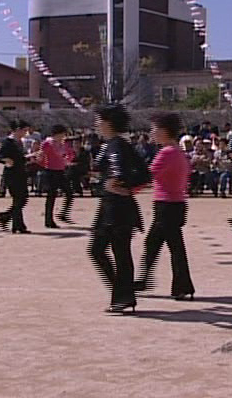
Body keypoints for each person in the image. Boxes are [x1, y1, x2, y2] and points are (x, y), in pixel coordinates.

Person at [88, 104, 148, 313]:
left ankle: (123, 296)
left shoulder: (115, 146)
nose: (96, 124)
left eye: (98, 120)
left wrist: (117, 183)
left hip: (116, 208)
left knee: (113, 252)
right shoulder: (117, 144)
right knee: (103, 251)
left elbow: (118, 170)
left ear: (108, 122)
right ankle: (123, 293)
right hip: (112, 206)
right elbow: (145, 173)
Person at [134, 112, 195, 301]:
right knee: (155, 244)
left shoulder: (166, 153)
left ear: (164, 131)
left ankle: (182, 286)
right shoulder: (178, 152)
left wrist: (125, 189)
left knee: (173, 247)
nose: (152, 133)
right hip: (174, 204)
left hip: (167, 205)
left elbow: (147, 176)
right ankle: (145, 280)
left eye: (154, 129)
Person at [0, 120, 31, 234]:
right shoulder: (8, 142)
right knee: (19, 199)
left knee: (22, 199)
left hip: (21, 173)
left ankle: (9, 219)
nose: (26, 133)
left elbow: (20, 157)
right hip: (12, 175)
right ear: (17, 130)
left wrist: (29, 157)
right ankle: (17, 225)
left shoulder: (20, 142)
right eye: (24, 130)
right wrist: (7, 160)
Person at [39, 124, 75, 228]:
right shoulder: (47, 143)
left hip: (60, 171)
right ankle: (48, 220)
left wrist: (67, 160)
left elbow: (71, 153)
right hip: (50, 171)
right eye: (62, 134)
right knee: (51, 196)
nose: (63, 136)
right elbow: (41, 156)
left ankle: (63, 213)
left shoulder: (63, 144)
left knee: (69, 192)